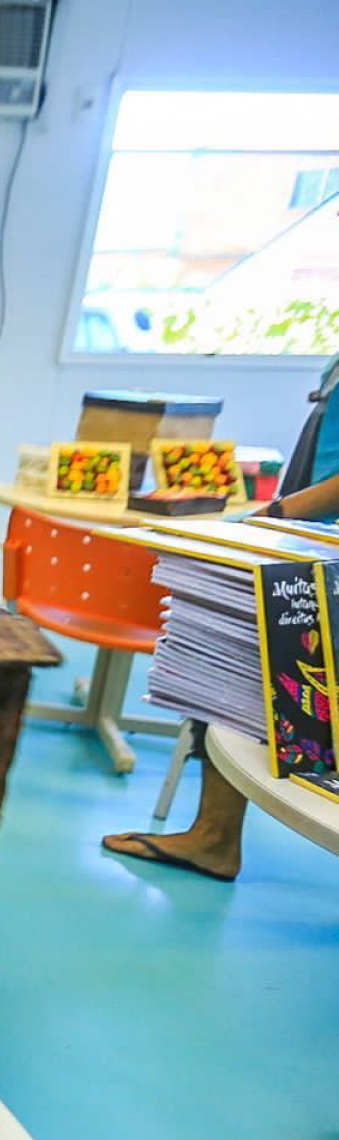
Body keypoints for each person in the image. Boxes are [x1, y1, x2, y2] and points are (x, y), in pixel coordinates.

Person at [102, 352, 339, 880]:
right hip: (308, 527)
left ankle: (213, 836)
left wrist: (278, 513)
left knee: (247, 661)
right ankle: (213, 834)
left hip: (316, 533)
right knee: (233, 663)